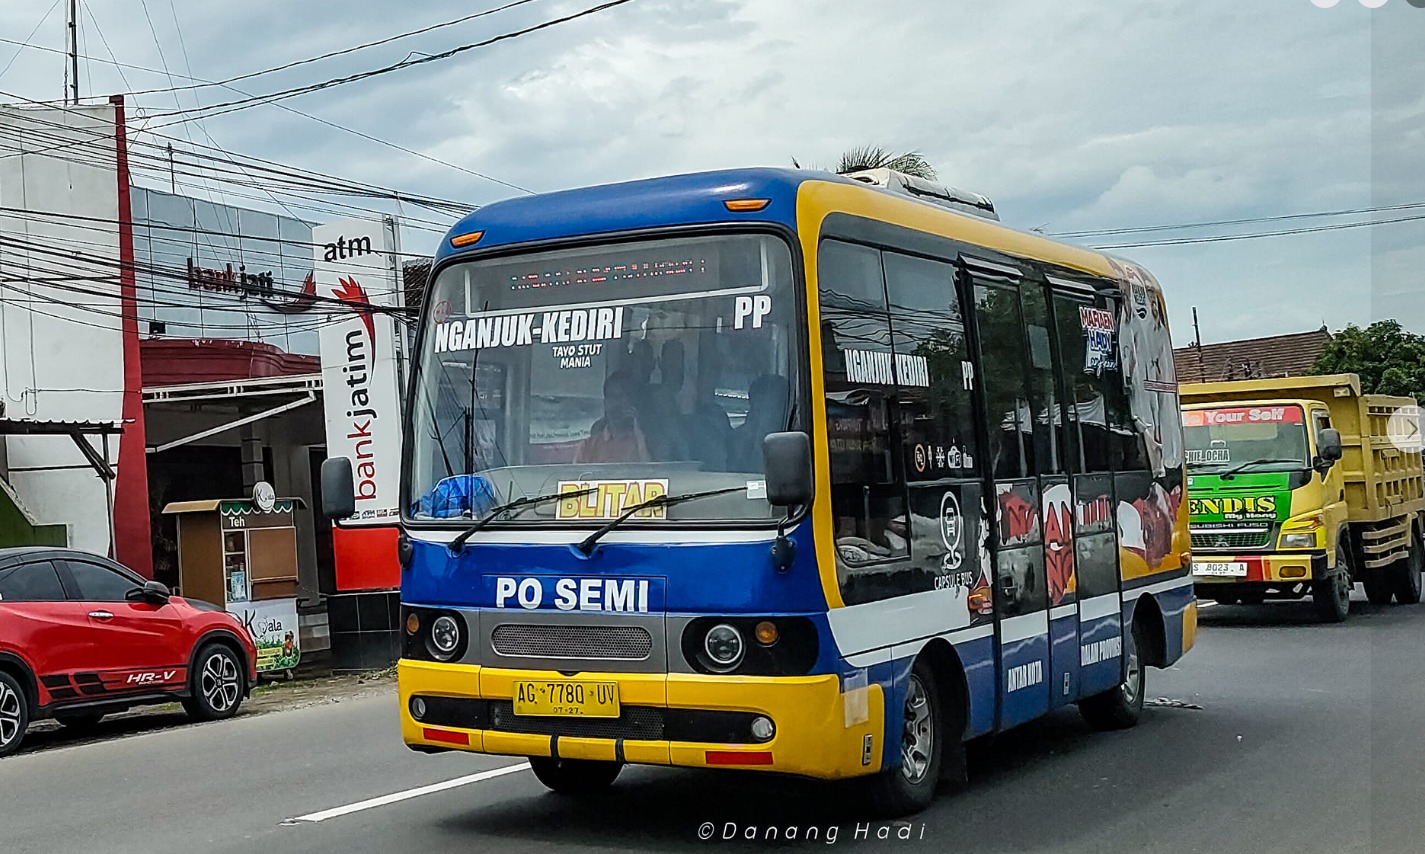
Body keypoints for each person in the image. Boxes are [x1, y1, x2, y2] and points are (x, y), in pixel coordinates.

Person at [576, 371, 650, 463]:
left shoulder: (644, 442)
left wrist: (639, 433)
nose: (615, 403)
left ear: (631, 402)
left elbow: (651, 469)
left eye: (620, 397)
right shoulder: (588, 446)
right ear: (605, 402)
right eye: (611, 396)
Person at [727, 374, 790, 472]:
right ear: (753, 406)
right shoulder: (737, 440)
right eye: (760, 405)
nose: (767, 413)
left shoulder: (792, 444)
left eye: (773, 406)